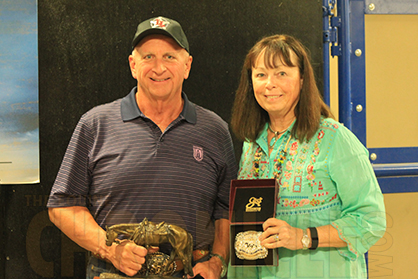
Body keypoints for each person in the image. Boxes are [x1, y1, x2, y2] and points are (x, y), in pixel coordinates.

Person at [47, 16, 236, 279]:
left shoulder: (215, 129)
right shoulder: (95, 124)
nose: (159, 67)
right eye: (148, 57)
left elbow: (228, 209)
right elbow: (62, 207)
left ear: (187, 66)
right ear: (133, 65)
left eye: (170, 57)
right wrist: (110, 249)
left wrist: (217, 261)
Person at [227, 34, 386, 278]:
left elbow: (370, 220)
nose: (270, 83)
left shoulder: (335, 139)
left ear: (302, 78)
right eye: (260, 74)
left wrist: (303, 237)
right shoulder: (252, 144)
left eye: (281, 73)